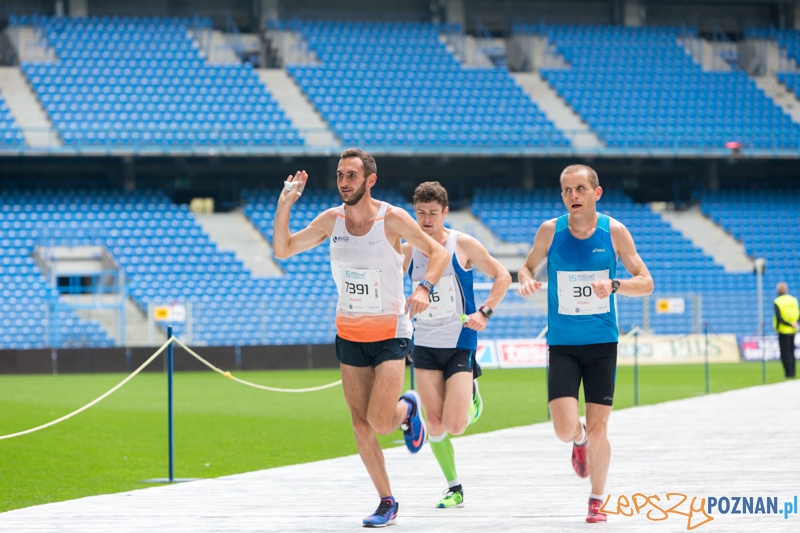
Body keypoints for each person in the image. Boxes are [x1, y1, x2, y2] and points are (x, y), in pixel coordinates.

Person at [273, 148, 449, 528]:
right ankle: (387, 500)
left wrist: (424, 288)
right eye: (339, 175)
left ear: (370, 180)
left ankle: (407, 410)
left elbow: (438, 253)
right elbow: (283, 249)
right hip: (349, 331)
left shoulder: (392, 218)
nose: (343, 182)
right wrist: (284, 204)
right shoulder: (330, 220)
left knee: (381, 421)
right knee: (360, 424)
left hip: (390, 330)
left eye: (351, 175)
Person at [517, 164, 653, 523]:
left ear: (597, 192)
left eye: (580, 188)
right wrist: (526, 279)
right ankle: (579, 445)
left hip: (601, 344)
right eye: (566, 190)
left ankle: (597, 498)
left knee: (599, 428)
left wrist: (616, 285)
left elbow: (646, 282)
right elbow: (526, 268)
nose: (573, 196)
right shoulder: (550, 231)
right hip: (562, 343)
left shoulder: (614, 232)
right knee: (565, 428)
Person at [402, 181, 511, 509]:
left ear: (445, 212)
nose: (426, 219)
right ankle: (454, 487)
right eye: (420, 213)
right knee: (434, 423)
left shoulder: (461, 244)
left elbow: (502, 275)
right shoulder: (408, 250)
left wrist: (485, 312)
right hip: (424, 342)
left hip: (459, 340)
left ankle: (473, 396)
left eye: (433, 213)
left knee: (455, 424)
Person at [773, 282, 798, 379]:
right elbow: (798, 313)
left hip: (783, 330)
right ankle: (793, 372)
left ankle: (788, 373)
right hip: (793, 329)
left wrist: (786, 325)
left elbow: (779, 317)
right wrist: (795, 323)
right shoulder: (793, 300)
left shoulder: (778, 301)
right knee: (792, 351)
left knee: (785, 353)